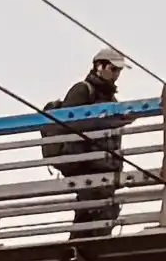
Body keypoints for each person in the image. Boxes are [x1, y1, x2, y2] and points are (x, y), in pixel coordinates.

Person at [43, 49, 126, 246]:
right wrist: (105, 122)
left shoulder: (111, 100)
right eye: (113, 69)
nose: (116, 75)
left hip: (105, 168)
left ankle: (92, 246)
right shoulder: (82, 90)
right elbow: (71, 125)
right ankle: (79, 249)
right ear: (100, 66)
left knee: (104, 211)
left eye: (118, 71)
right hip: (85, 165)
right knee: (89, 211)